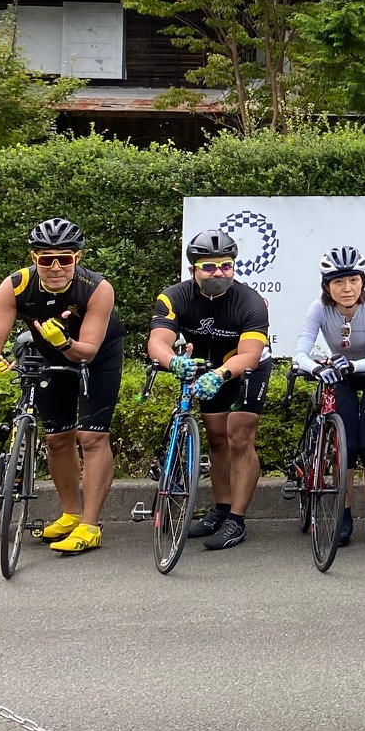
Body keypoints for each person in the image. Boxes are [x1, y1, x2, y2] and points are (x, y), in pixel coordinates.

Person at [0, 218, 124, 556]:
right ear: (34, 257)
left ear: (78, 258)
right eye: (46, 259)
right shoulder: (15, 285)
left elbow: (87, 351)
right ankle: (70, 514)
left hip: (95, 354)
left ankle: (90, 525)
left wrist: (65, 342)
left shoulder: (97, 288)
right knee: (57, 438)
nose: (55, 267)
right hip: (48, 350)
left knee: (92, 436)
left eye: (65, 259)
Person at [148, 229, 272, 553]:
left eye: (226, 266)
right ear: (194, 270)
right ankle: (220, 509)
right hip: (204, 364)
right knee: (217, 437)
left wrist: (220, 373)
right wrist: (173, 362)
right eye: (210, 267)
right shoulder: (174, 296)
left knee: (239, 435)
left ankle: (237, 520)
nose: (219, 273)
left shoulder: (250, 301)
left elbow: (250, 355)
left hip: (244, 366)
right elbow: (157, 343)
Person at [291, 246, 365, 546]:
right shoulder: (318, 309)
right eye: (338, 282)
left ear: (363, 281)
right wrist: (316, 369)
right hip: (340, 374)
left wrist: (349, 364)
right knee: (345, 447)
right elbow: (300, 352)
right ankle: (344, 517)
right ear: (327, 286)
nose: (347, 288)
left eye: (353, 280)